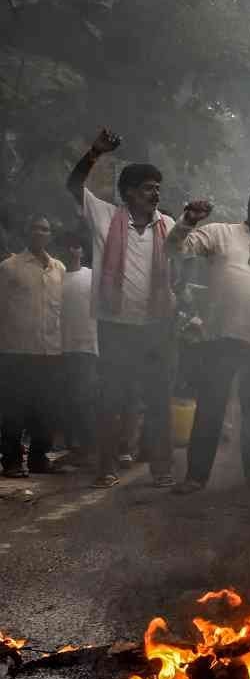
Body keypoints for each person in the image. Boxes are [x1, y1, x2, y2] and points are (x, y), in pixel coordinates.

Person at [165, 189, 250, 493]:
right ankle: (196, 477)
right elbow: (175, 249)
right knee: (211, 407)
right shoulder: (220, 233)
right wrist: (187, 222)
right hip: (219, 338)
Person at [68, 128, 177, 489]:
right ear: (129, 193)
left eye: (158, 187)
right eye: (148, 187)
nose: (156, 193)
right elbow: (73, 185)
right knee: (112, 397)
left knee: (158, 398)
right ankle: (107, 465)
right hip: (115, 325)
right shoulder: (106, 217)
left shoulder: (168, 225)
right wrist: (95, 152)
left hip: (156, 327)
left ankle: (161, 468)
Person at [0, 215, 66, 477]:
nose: (41, 233)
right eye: (36, 228)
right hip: (16, 351)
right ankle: (13, 462)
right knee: (14, 410)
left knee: (46, 409)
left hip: (50, 351)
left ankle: (39, 459)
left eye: (45, 229)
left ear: (50, 235)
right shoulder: (9, 267)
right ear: (26, 233)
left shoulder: (58, 269)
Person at [59, 231, 98, 463]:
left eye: (77, 246)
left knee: (85, 396)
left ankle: (89, 446)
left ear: (82, 251)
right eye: (69, 246)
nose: (73, 250)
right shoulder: (57, 277)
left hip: (88, 345)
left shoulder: (92, 276)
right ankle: (73, 446)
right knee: (67, 397)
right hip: (61, 346)